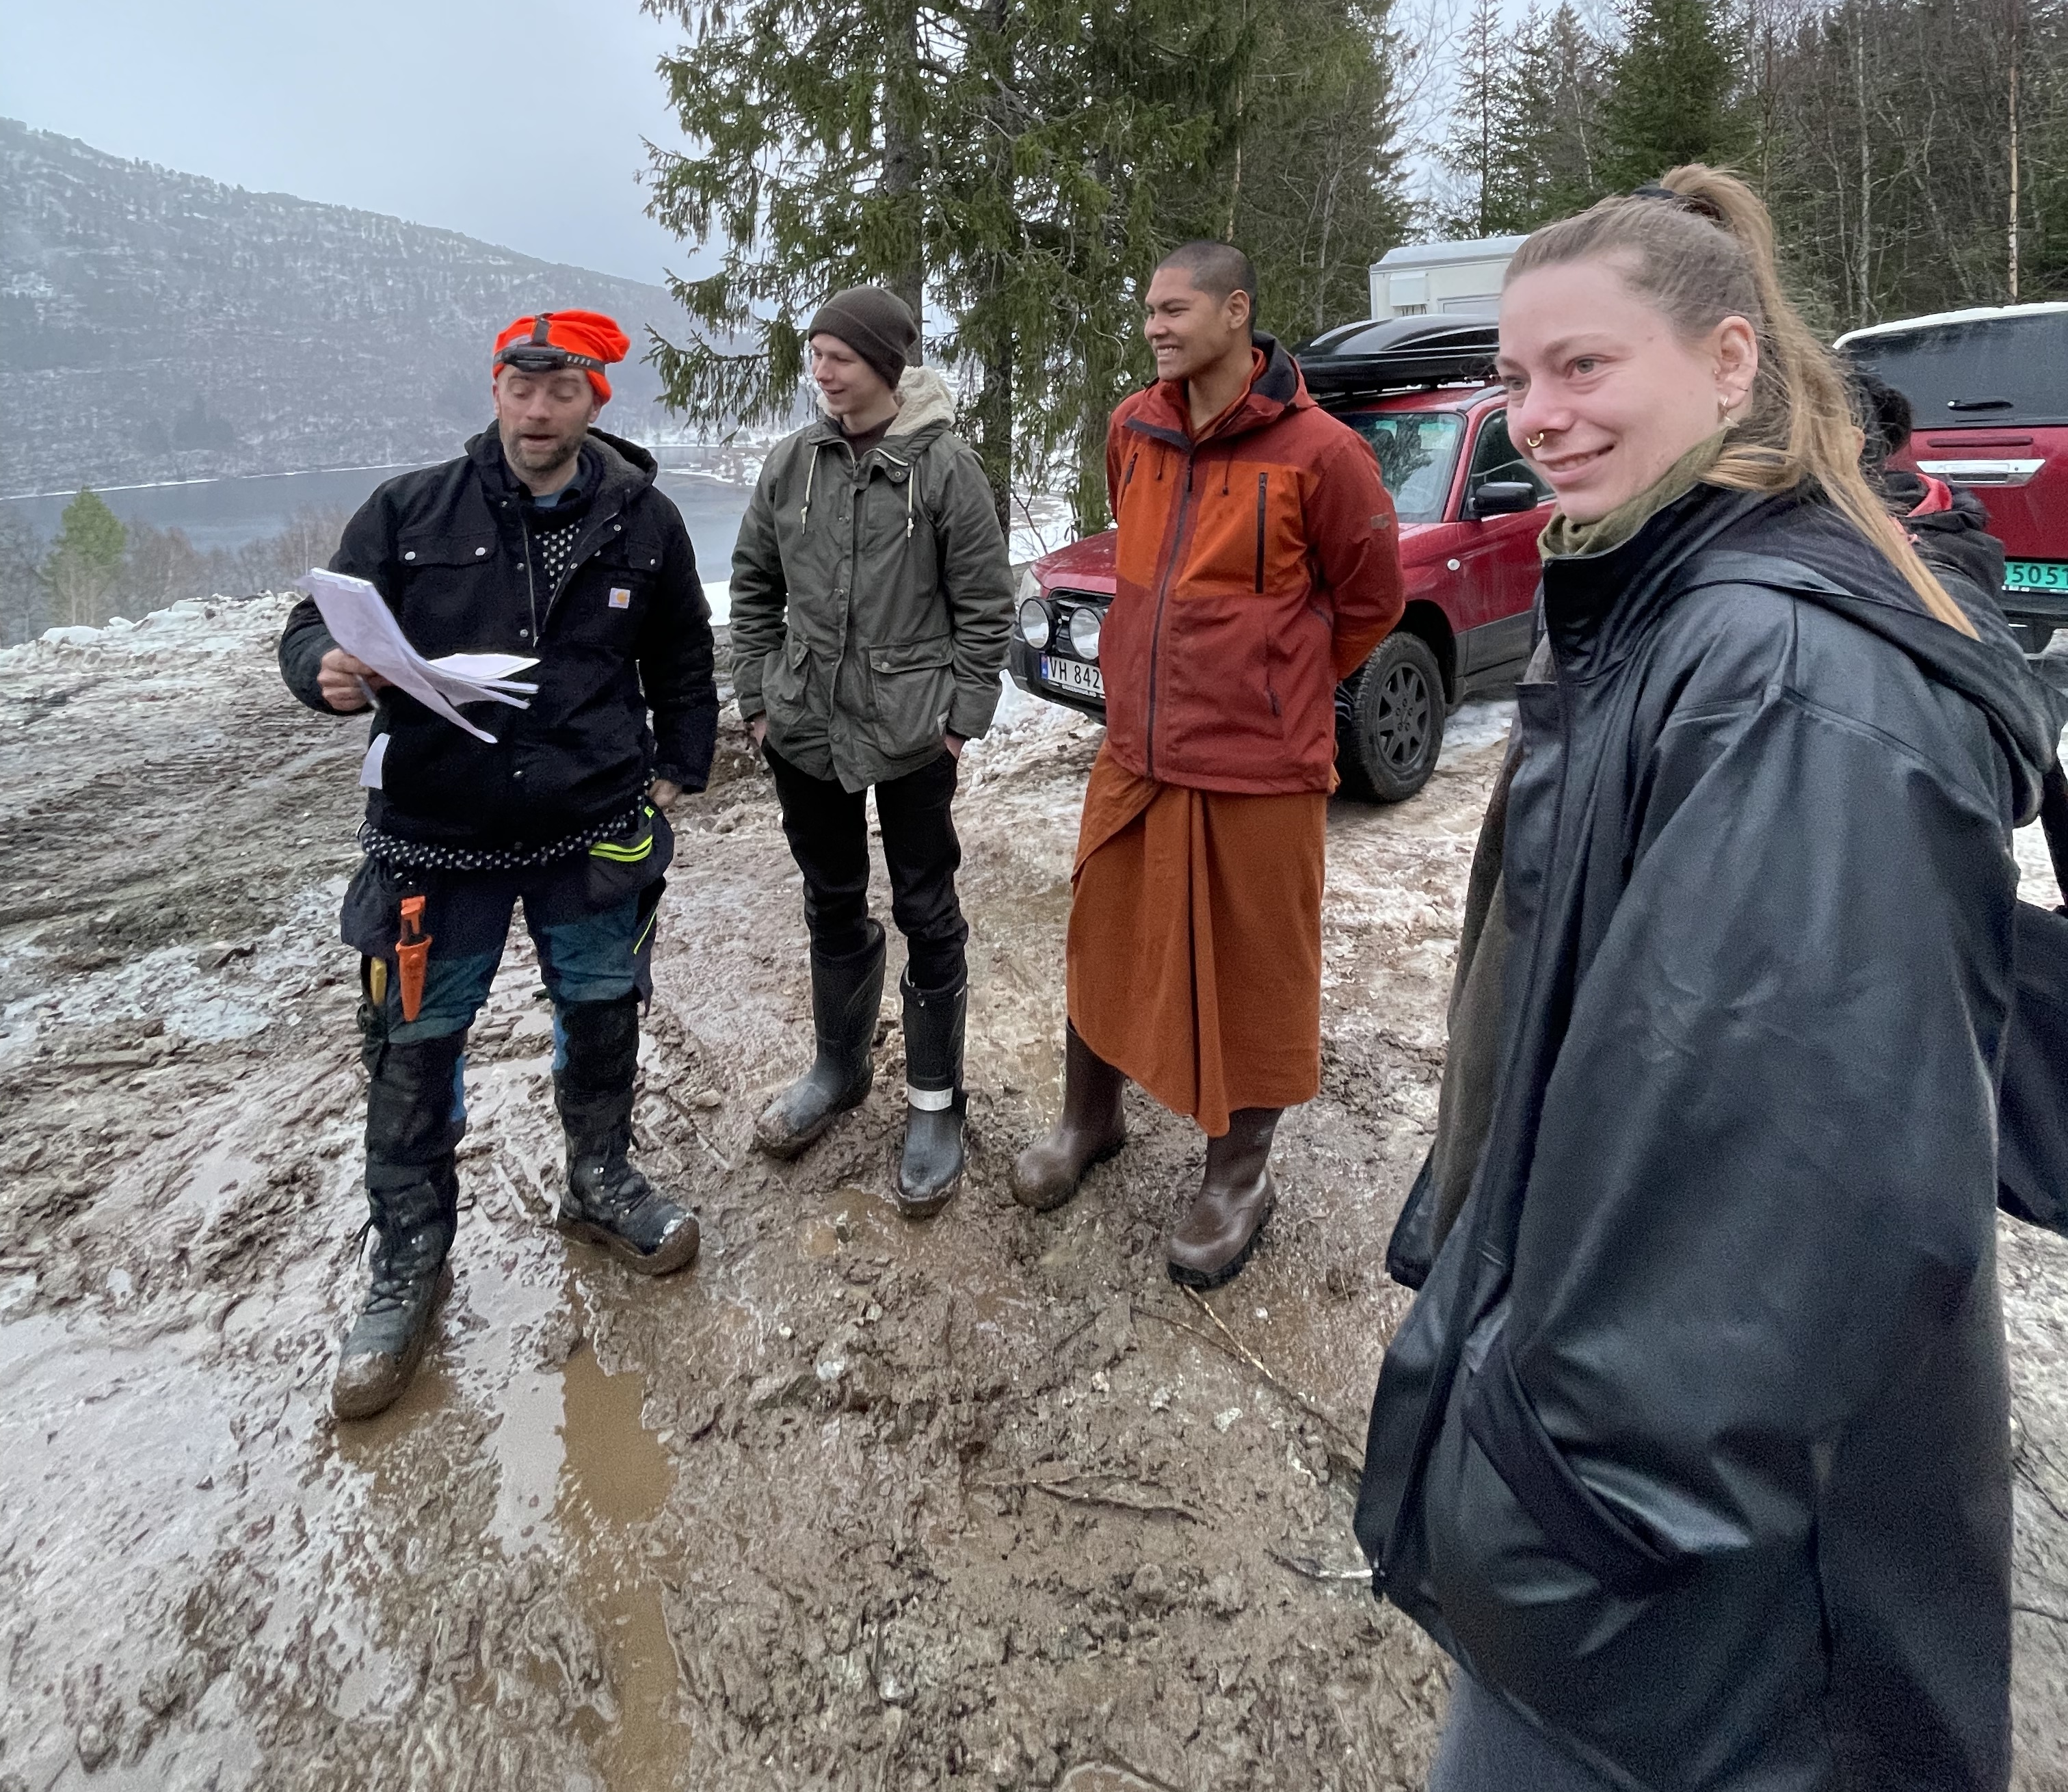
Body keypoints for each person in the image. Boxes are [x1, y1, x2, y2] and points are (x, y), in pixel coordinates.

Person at [1355, 172, 2058, 1792]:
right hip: (1660, 1537)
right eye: (1516, 379)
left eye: (1584, 369)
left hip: (1695, 1596)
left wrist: (1550, 1493)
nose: (1536, 415)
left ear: (1731, 362)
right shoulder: (1662, 597)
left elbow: (1772, 1227)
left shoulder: (1786, 680)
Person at [280, 308, 717, 1420]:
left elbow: (680, 651)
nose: (536, 410)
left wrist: (680, 767)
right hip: (435, 835)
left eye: (560, 391)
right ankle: (409, 1257)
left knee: (604, 1009)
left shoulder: (645, 519)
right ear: (495, 390)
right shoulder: (411, 509)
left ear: (593, 404)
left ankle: (600, 1179)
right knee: (415, 1048)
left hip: (591, 827)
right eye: (519, 388)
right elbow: (312, 625)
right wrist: (323, 668)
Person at [1011, 241, 1405, 1286]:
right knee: (1103, 933)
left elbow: (1371, 603)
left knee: (1258, 966)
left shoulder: (1325, 454)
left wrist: (1275, 681)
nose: (1155, 326)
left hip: (1262, 762)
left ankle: (1240, 1177)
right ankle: (1088, 1123)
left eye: (1176, 309)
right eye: (1149, 310)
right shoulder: (1132, 430)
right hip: (1138, 747)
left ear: (1238, 312)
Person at [730, 285, 1013, 1215]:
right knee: (831, 900)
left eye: (838, 357)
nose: (821, 372)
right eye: (814, 356)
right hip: (805, 729)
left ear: (884, 366)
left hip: (911, 736)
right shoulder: (792, 465)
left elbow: (984, 604)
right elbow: (754, 584)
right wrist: (761, 701)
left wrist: (961, 718)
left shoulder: (942, 468)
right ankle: (838, 1068)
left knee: (928, 911)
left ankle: (935, 1103)